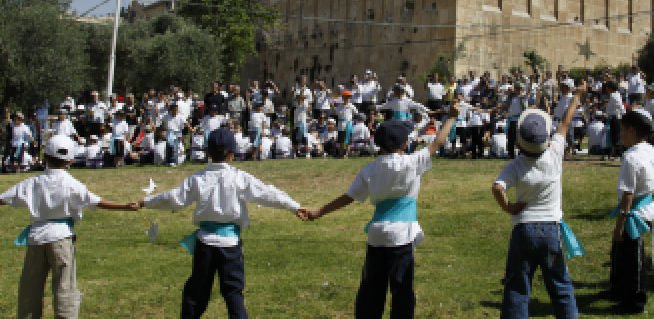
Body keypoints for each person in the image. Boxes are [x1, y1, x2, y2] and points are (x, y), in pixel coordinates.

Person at [302, 106, 460, 319]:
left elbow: (348, 197)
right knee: (402, 290)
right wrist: (450, 118)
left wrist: (319, 211)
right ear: (404, 144)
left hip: (377, 234)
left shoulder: (369, 169)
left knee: (371, 290)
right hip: (402, 234)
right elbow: (438, 142)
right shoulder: (411, 163)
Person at [140, 127, 306, 317]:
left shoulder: (199, 178)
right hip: (230, 246)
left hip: (205, 245)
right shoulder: (238, 177)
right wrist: (294, 206)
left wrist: (145, 202)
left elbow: (172, 198)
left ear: (209, 153)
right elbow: (268, 194)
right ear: (231, 154)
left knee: (196, 293)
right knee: (233, 293)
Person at [0, 135, 139, 318]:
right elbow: (96, 202)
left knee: (30, 288)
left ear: (45, 157)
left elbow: (3, 199)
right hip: (62, 238)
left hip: (36, 239)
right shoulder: (72, 184)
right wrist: (125, 207)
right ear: (70, 161)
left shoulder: (32, 183)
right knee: (65, 287)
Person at [491, 82, 586, 319]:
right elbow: (565, 122)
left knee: (517, 285)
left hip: (523, 228)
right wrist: (577, 96)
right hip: (551, 229)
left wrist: (508, 207)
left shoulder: (515, 166)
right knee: (560, 283)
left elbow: (497, 187)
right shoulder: (554, 154)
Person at [607, 109, 654, 314]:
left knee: (632, 256)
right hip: (644, 205)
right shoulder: (649, 149)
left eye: (622, 130)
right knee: (620, 252)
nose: (620, 134)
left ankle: (634, 299)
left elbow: (628, 194)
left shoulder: (631, 158)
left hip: (635, 211)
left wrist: (620, 223)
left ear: (631, 130)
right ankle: (618, 288)